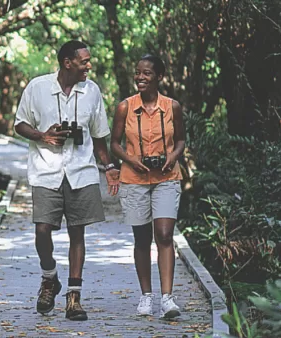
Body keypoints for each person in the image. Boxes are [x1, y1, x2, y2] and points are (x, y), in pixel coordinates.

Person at [14, 40, 120, 321]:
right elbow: (19, 123)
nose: (89, 65)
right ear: (67, 62)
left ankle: (74, 297)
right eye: (84, 61)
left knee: (77, 232)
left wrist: (108, 166)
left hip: (81, 170)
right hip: (46, 169)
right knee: (42, 230)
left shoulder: (92, 91)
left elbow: (99, 136)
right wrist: (42, 136)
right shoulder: (37, 87)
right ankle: (49, 277)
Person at [108, 54, 185, 319]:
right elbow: (114, 143)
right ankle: (146, 296)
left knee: (164, 234)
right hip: (134, 179)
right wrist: (131, 160)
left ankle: (167, 299)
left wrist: (171, 159)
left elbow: (181, 141)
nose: (141, 78)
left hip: (166, 177)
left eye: (147, 73)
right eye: (138, 73)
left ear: (159, 77)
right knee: (142, 239)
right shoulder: (124, 108)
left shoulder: (172, 107)